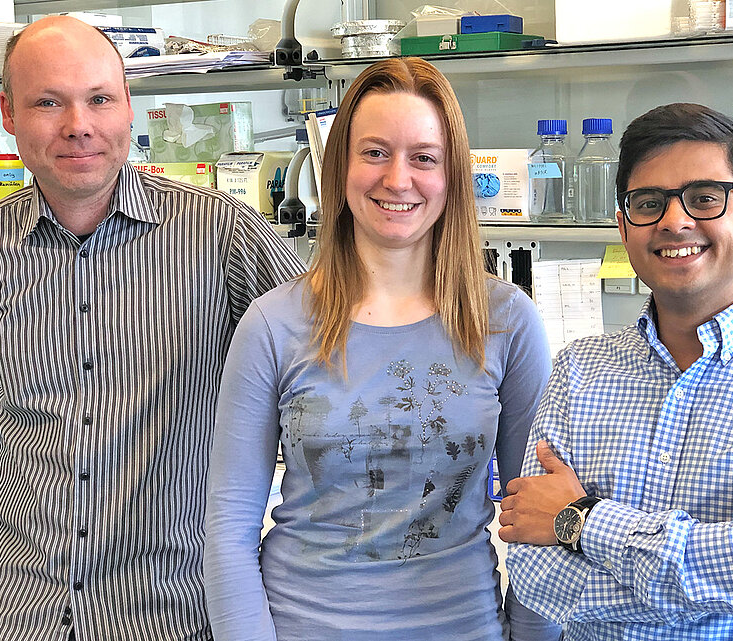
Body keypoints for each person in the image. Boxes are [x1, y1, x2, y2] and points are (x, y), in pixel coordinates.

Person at [0, 16, 305, 641]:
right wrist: (14, 522)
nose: (78, 124)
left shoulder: (222, 234)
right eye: (47, 102)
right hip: (20, 614)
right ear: (8, 114)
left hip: (179, 612)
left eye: (99, 99)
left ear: (129, 108)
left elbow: (320, 378)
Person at [203, 57, 560, 641]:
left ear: (453, 176)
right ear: (338, 168)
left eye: (424, 158)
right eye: (374, 152)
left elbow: (534, 521)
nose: (398, 179)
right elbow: (228, 529)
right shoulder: (273, 324)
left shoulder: (507, 322)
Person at [499, 102, 733, 640]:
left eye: (704, 199)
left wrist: (579, 520)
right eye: (648, 203)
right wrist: (728, 553)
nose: (674, 221)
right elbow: (537, 578)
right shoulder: (577, 371)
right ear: (623, 226)